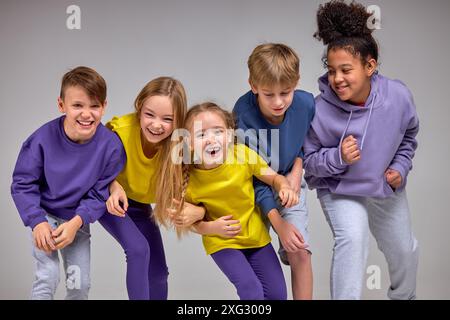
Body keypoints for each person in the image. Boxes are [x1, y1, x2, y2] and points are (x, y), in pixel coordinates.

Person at [303, 0, 419, 300]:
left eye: (345, 70)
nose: (337, 79)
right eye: (331, 71)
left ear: (370, 66)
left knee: (403, 248)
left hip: (382, 184)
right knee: (353, 239)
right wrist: (338, 157)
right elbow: (310, 163)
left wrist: (401, 168)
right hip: (339, 187)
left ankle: (404, 297)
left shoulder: (398, 96)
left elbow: (408, 136)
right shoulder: (317, 110)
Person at [156, 102, 296, 299]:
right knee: (251, 290)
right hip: (222, 242)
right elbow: (193, 223)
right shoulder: (189, 179)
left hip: (256, 237)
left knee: (277, 294)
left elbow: (273, 177)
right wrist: (213, 229)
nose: (211, 139)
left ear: (230, 135)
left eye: (218, 132)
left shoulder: (243, 155)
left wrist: (284, 186)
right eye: (201, 134)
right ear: (189, 143)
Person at [11, 66, 125, 299]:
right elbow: (23, 183)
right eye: (77, 105)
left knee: (79, 284)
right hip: (44, 216)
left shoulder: (111, 146)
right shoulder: (42, 139)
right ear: (61, 105)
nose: (87, 114)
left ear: (104, 107)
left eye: (94, 106)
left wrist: (76, 222)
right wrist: (37, 222)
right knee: (48, 276)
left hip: (77, 220)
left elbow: (98, 193)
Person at [99, 77, 203, 300]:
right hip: (107, 197)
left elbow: (201, 186)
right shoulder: (120, 133)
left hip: (138, 205)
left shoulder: (180, 145)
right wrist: (112, 184)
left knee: (158, 275)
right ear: (139, 107)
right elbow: (93, 169)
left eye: (167, 119)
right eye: (149, 115)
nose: (157, 125)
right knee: (138, 250)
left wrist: (198, 211)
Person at [232, 43, 315, 299]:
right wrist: (278, 224)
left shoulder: (306, 104)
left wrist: (296, 172)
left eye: (286, 92)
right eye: (269, 94)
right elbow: (252, 174)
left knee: (299, 249)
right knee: (256, 261)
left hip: (290, 181)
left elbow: (304, 143)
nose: (279, 102)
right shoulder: (243, 115)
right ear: (253, 85)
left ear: (296, 83)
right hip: (253, 188)